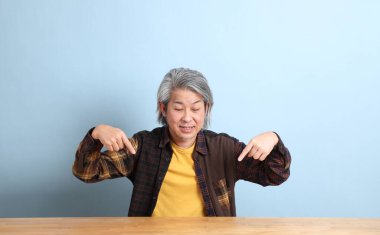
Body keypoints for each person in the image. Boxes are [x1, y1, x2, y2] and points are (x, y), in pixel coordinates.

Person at [72, 67, 291, 217]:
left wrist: (273, 138)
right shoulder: (142, 147)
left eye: (196, 108)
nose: (187, 117)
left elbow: (276, 175)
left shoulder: (224, 149)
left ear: (207, 109)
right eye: (178, 108)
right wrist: (96, 134)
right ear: (163, 109)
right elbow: (86, 172)